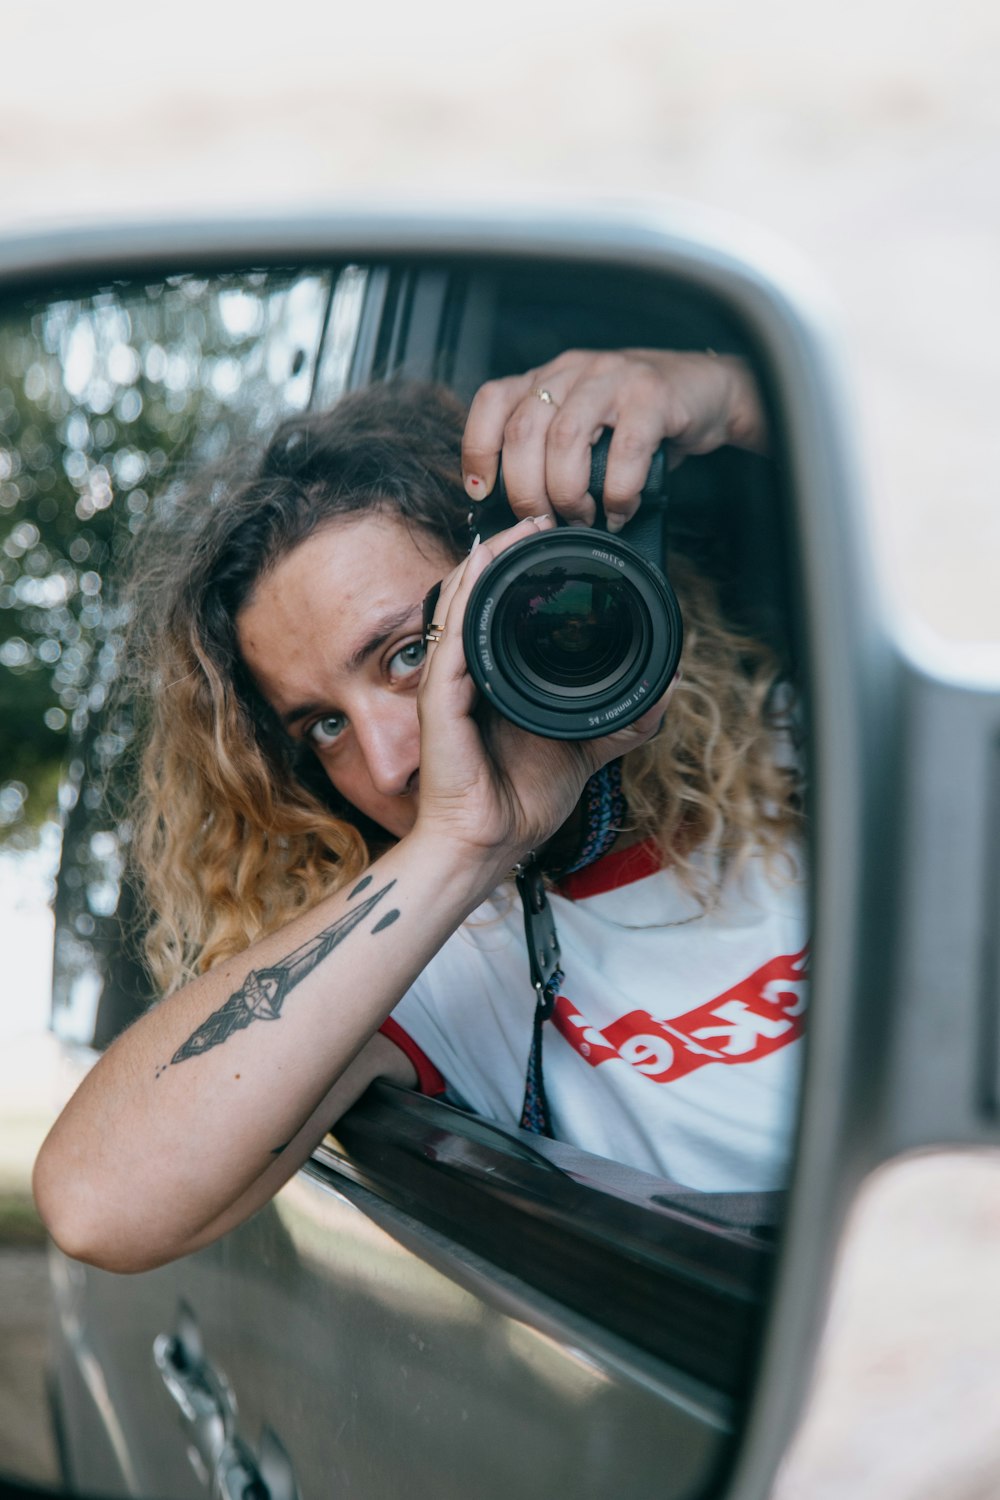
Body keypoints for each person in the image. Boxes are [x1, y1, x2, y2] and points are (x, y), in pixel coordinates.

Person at [33, 349, 805, 1275]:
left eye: (407, 655)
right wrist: (462, 847)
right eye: (323, 727)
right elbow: (96, 1206)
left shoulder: (813, 768)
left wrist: (730, 392)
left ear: (547, 588)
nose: (390, 759)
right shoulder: (426, 967)